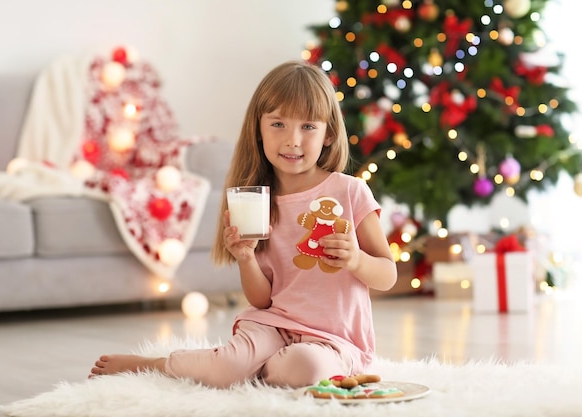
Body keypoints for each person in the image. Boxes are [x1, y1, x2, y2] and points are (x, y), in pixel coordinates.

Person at [89, 60, 397, 388]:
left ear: (328, 134)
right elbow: (262, 300)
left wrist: (357, 260)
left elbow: (387, 275)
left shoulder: (349, 192)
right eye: (278, 124)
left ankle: (248, 369)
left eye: (308, 127)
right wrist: (246, 258)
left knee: (303, 367)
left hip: (334, 340)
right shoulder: (255, 201)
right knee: (237, 364)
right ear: (259, 130)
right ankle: (158, 364)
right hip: (271, 324)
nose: (293, 140)